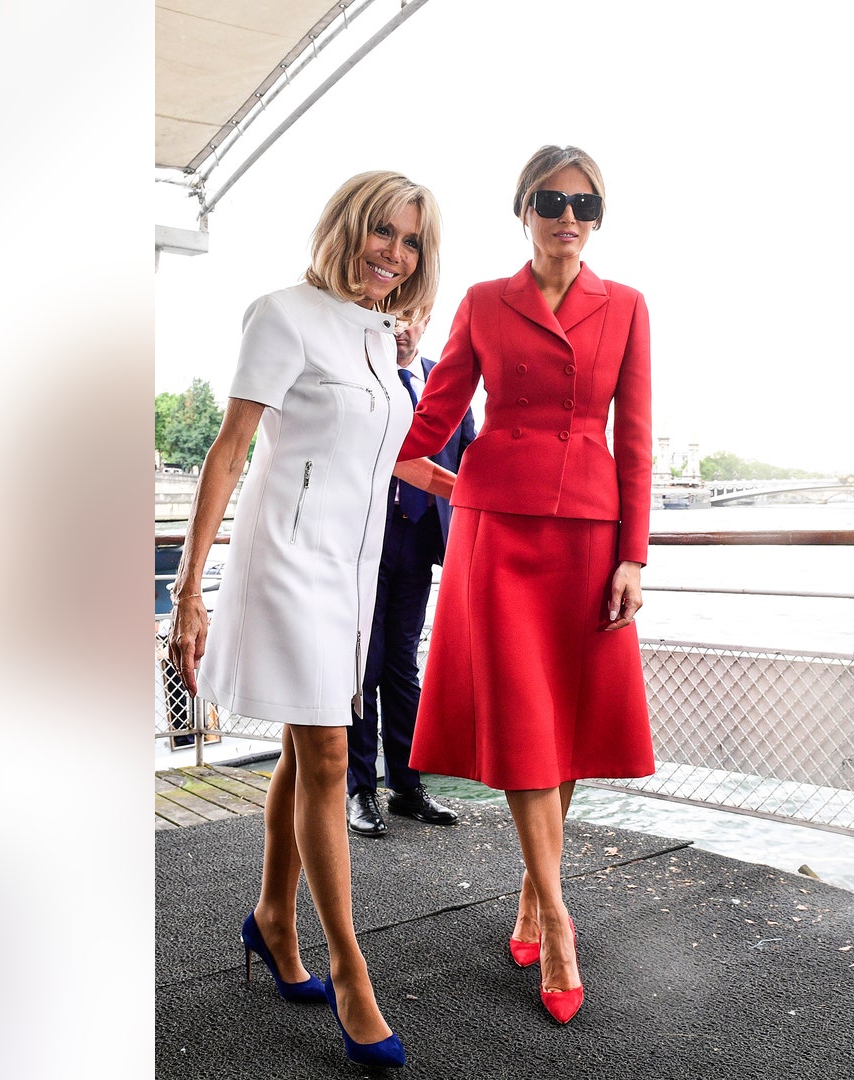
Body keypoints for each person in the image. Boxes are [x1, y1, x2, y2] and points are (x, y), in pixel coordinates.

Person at [167, 170, 455, 1070]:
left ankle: (271, 919)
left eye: (411, 242)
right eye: (383, 232)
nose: (395, 254)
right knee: (330, 752)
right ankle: (351, 970)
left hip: (354, 570)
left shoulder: (386, 338)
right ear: (347, 228)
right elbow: (230, 449)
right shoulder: (281, 314)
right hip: (286, 559)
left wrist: (493, 497)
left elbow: (385, 461)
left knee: (304, 749)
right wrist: (188, 588)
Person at [393, 145, 654, 1025]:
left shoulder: (627, 309)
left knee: (563, 726)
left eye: (585, 203)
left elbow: (640, 438)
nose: (567, 215)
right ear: (523, 208)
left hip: (589, 537)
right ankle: (562, 926)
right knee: (522, 721)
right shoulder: (480, 303)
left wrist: (634, 555)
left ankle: (532, 902)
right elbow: (425, 428)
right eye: (551, 199)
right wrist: (444, 477)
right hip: (496, 539)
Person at [346, 312, 476, 838]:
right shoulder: (360, 376)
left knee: (402, 665)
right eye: (390, 317)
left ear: (425, 320)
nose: (400, 328)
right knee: (365, 666)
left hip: (420, 544)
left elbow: (471, 461)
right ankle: (360, 791)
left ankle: (406, 786)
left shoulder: (448, 383)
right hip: (362, 542)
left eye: (410, 317)